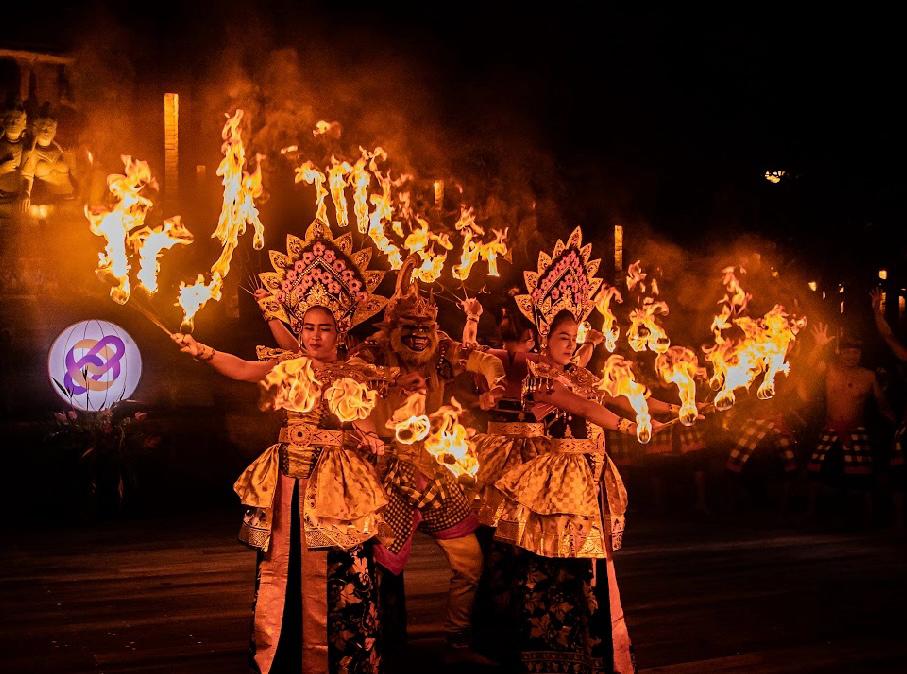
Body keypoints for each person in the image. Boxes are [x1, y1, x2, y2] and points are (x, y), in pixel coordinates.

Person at [175, 220, 390, 673]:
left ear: (341, 331)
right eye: (308, 327)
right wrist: (204, 352)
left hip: (334, 489)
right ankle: (281, 652)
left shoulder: (353, 375)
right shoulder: (289, 365)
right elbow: (242, 368)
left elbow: (366, 423)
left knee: (340, 571)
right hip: (288, 484)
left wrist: (370, 440)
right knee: (280, 564)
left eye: (325, 329)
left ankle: (338, 658)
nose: (314, 336)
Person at [491, 227, 643, 673]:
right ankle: (549, 654)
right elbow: (582, 406)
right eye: (562, 335)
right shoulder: (542, 377)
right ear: (544, 337)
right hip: (556, 484)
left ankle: (591, 649)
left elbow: (620, 392)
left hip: (590, 481)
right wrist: (624, 423)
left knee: (590, 567)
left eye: (575, 336)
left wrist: (679, 405)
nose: (571, 343)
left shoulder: (582, 373)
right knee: (552, 567)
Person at [351, 255, 505, 663]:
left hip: (431, 467)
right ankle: (384, 648)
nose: (421, 336)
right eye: (411, 329)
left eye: (427, 329)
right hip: (384, 470)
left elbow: (483, 357)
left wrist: (495, 379)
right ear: (393, 329)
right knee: (382, 569)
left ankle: (458, 640)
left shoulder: (442, 352)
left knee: (470, 560)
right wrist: (392, 380)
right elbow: (349, 377)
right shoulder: (372, 354)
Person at [806, 322, 896, 523]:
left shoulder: (868, 376)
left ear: (860, 354)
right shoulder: (830, 370)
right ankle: (811, 513)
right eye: (847, 352)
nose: (851, 356)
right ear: (840, 353)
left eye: (855, 353)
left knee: (863, 473)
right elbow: (809, 367)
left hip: (857, 429)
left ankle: (869, 515)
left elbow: (881, 403)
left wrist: (891, 417)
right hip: (831, 427)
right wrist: (818, 346)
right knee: (815, 468)